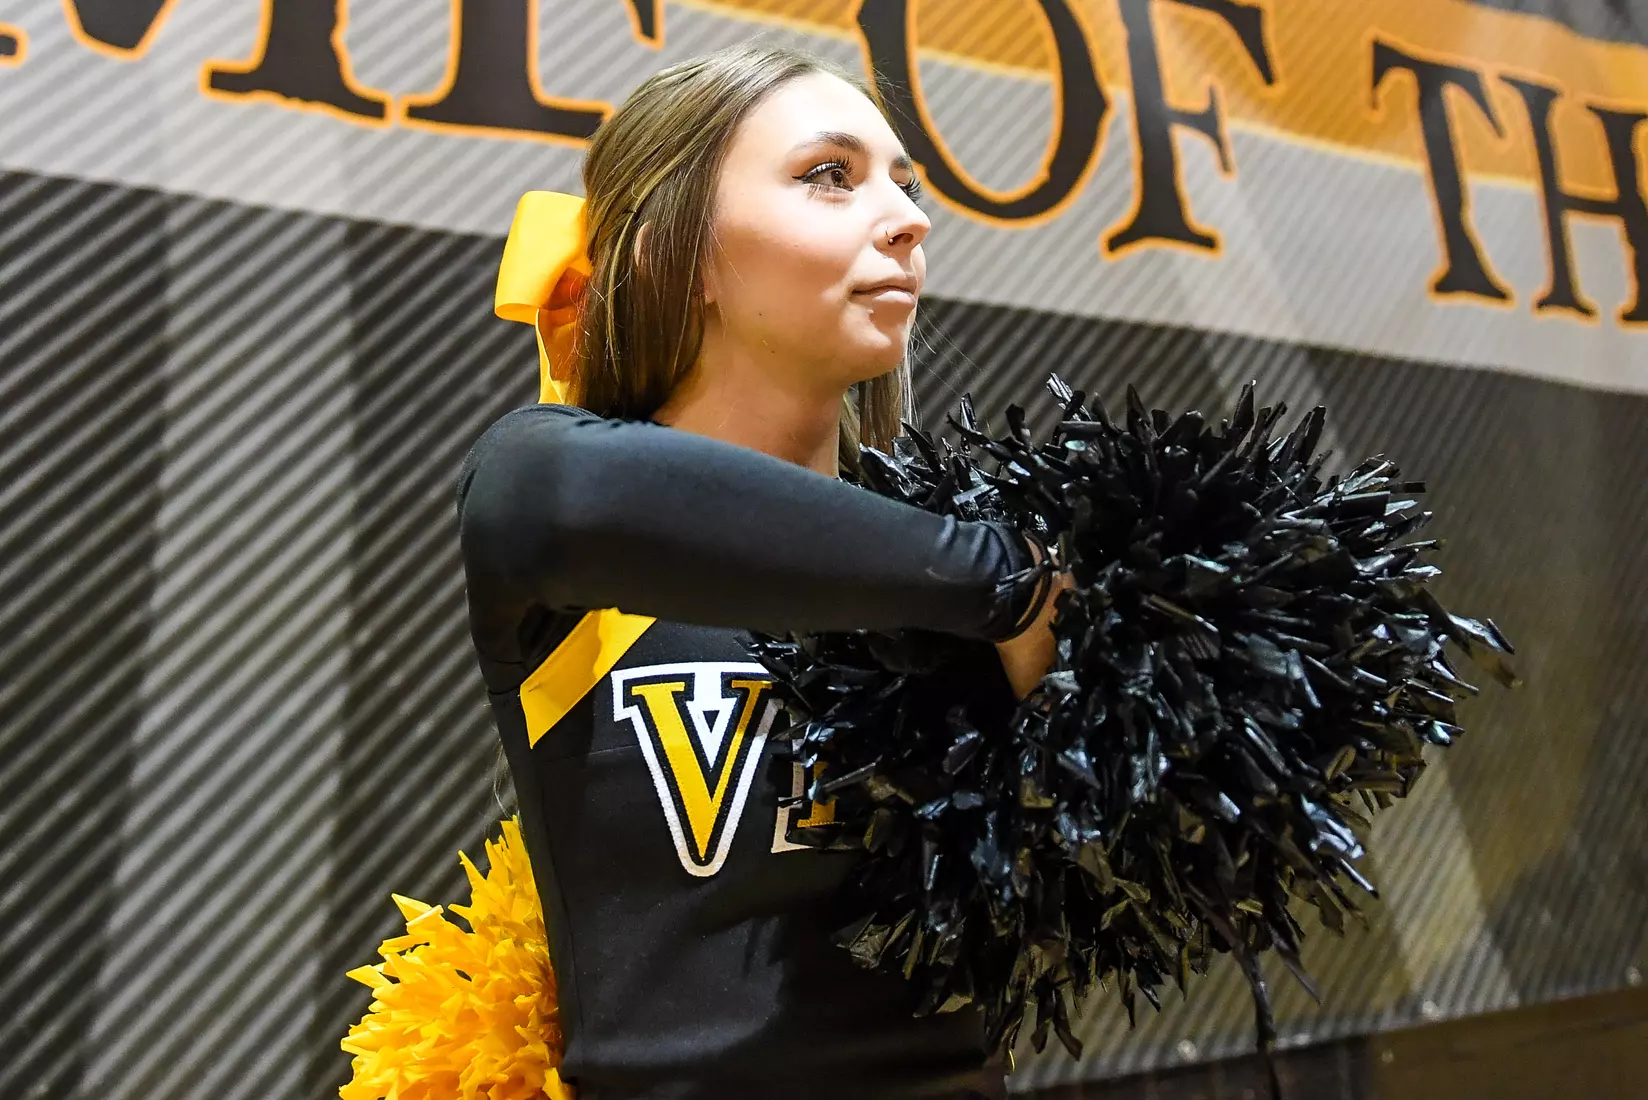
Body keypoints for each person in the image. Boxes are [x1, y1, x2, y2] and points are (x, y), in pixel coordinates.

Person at [457, 42, 1062, 1100]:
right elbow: (558, 500)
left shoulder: (962, 566)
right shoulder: (546, 489)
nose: (909, 219)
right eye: (829, 174)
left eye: (903, 183)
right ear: (670, 251)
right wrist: (1010, 582)